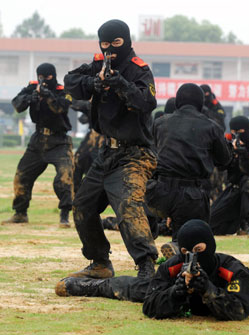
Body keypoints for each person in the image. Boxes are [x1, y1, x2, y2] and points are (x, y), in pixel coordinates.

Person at [63, 19, 158, 280]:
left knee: (128, 206)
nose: (110, 50)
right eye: (105, 44)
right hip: (106, 151)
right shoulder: (97, 63)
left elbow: (147, 101)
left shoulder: (140, 70)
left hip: (135, 154)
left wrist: (120, 84)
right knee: (82, 205)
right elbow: (70, 81)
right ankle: (99, 262)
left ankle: (147, 266)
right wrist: (95, 82)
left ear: (127, 41)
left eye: (116, 44)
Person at [55, 219, 249, 321]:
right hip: (174, 289)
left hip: (215, 292)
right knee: (132, 288)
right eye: (185, 252)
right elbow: (149, 306)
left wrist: (208, 290)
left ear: (210, 246)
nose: (192, 256)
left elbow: (240, 310)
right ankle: (88, 286)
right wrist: (175, 294)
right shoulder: (173, 266)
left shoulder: (233, 271)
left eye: (199, 250)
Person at [147, 83, 231, 258]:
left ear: (177, 102)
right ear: (201, 103)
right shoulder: (211, 126)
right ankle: (178, 246)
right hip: (191, 193)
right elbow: (224, 161)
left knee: (155, 217)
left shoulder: (160, 123)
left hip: (158, 190)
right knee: (195, 236)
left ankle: (148, 248)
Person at [2, 63, 73, 228]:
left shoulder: (63, 91)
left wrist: (48, 96)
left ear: (53, 76)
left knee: (65, 177)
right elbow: (16, 104)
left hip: (59, 142)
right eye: (41, 77)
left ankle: (64, 215)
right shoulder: (33, 87)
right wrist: (30, 97)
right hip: (38, 140)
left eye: (48, 77)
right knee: (22, 176)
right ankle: (20, 213)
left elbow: (60, 108)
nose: (44, 80)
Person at [209, 116, 249, 237]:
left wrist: (243, 153)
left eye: (240, 132)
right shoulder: (230, 144)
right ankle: (238, 223)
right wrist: (227, 151)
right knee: (211, 223)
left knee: (248, 181)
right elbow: (221, 167)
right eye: (234, 132)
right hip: (234, 188)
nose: (237, 136)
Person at [70, 99, 105, 194]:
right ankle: (76, 194)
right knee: (77, 162)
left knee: (100, 167)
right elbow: (82, 119)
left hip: (105, 138)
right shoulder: (89, 104)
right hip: (92, 137)